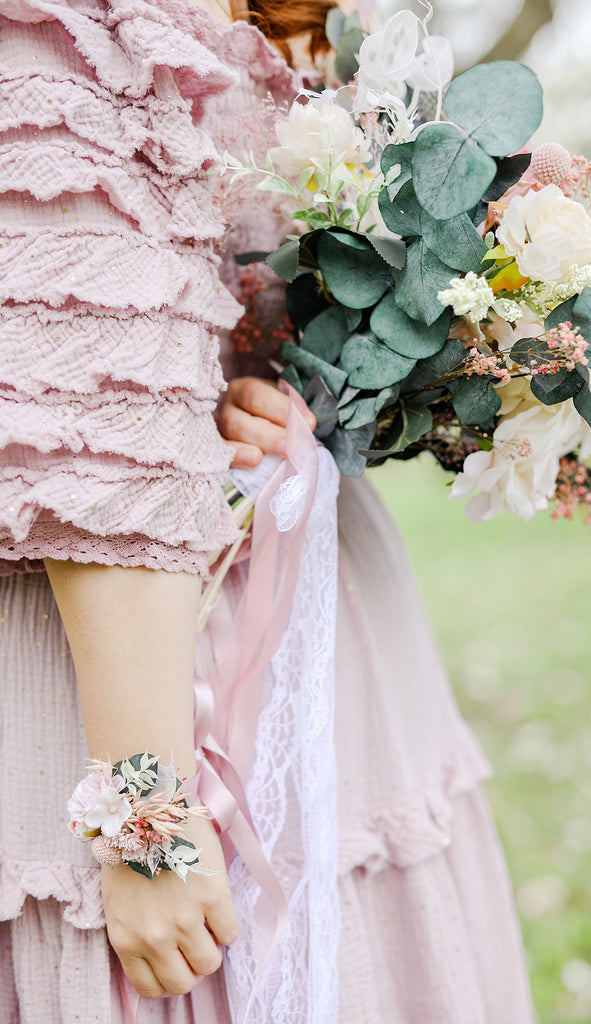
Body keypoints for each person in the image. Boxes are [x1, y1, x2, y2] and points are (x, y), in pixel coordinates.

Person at [0, 0, 534, 1021]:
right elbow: (98, 430)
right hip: (119, 673)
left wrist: (301, 384)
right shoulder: (62, 30)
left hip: (326, 645)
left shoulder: (287, 23)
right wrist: (146, 821)